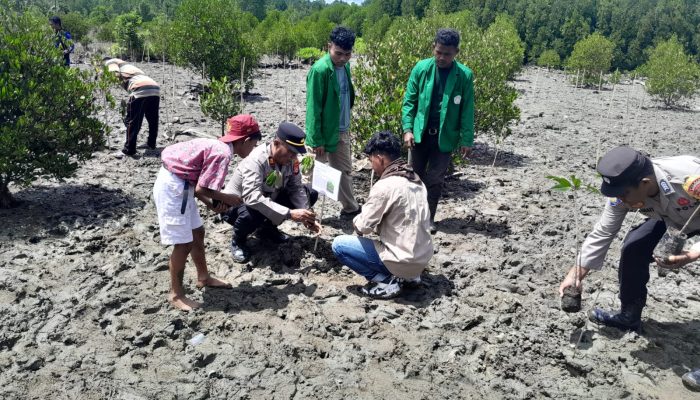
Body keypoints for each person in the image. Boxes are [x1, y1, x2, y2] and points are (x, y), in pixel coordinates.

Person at [558, 146, 700, 332]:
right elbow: (603, 232)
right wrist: (575, 275)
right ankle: (629, 316)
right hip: (671, 219)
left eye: (623, 194)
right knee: (634, 248)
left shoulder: (690, 179)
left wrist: (694, 253)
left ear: (645, 183)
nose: (618, 199)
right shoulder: (623, 191)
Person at [153, 114, 261, 311]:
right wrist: (229, 198)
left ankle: (203, 277)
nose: (253, 149)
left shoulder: (219, 146)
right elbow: (203, 189)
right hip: (173, 188)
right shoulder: (223, 154)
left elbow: (198, 185)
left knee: (197, 232)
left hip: (184, 185)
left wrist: (212, 205)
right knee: (183, 244)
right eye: (254, 144)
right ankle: (176, 294)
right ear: (246, 140)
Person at [332, 131, 434, 299]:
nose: (372, 165)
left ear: (380, 158)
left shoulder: (385, 186)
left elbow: (363, 227)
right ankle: (410, 277)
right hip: (423, 259)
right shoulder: (417, 181)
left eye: (371, 160)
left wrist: (358, 219)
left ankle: (387, 281)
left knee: (339, 245)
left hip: (402, 260)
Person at [401, 28, 475, 233]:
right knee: (413, 177)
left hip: (445, 137)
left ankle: (429, 218)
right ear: (434, 47)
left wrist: (467, 139)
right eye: (438, 52)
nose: (442, 57)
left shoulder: (464, 76)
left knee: (435, 179)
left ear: (456, 52)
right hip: (419, 134)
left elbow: (467, 110)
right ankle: (411, 217)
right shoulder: (421, 68)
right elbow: (409, 102)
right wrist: (407, 129)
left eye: (447, 54)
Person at [222, 122, 319, 263]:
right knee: (254, 211)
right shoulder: (257, 159)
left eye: (295, 153)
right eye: (290, 152)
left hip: (268, 198)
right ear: (276, 143)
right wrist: (290, 213)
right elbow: (251, 197)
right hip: (237, 206)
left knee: (310, 192)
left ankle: (266, 229)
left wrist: (306, 214)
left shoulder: (292, 160)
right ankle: (238, 240)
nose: (293, 157)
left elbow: (296, 187)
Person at [305, 26, 360, 219]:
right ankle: (304, 210)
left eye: (347, 54)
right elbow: (313, 109)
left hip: (341, 130)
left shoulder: (346, 67)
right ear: (329, 47)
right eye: (338, 53)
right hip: (320, 135)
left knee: (344, 171)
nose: (343, 58)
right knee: (311, 174)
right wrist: (316, 140)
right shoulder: (319, 70)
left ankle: (351, 208)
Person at [106, 61, 160, 158]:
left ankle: (129, 150)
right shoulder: (129, 66)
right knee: (153, 119)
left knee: (132, 121)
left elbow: (114, 73)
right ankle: (151, 144)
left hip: (139, 88)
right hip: (155, 88)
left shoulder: (111, 62)